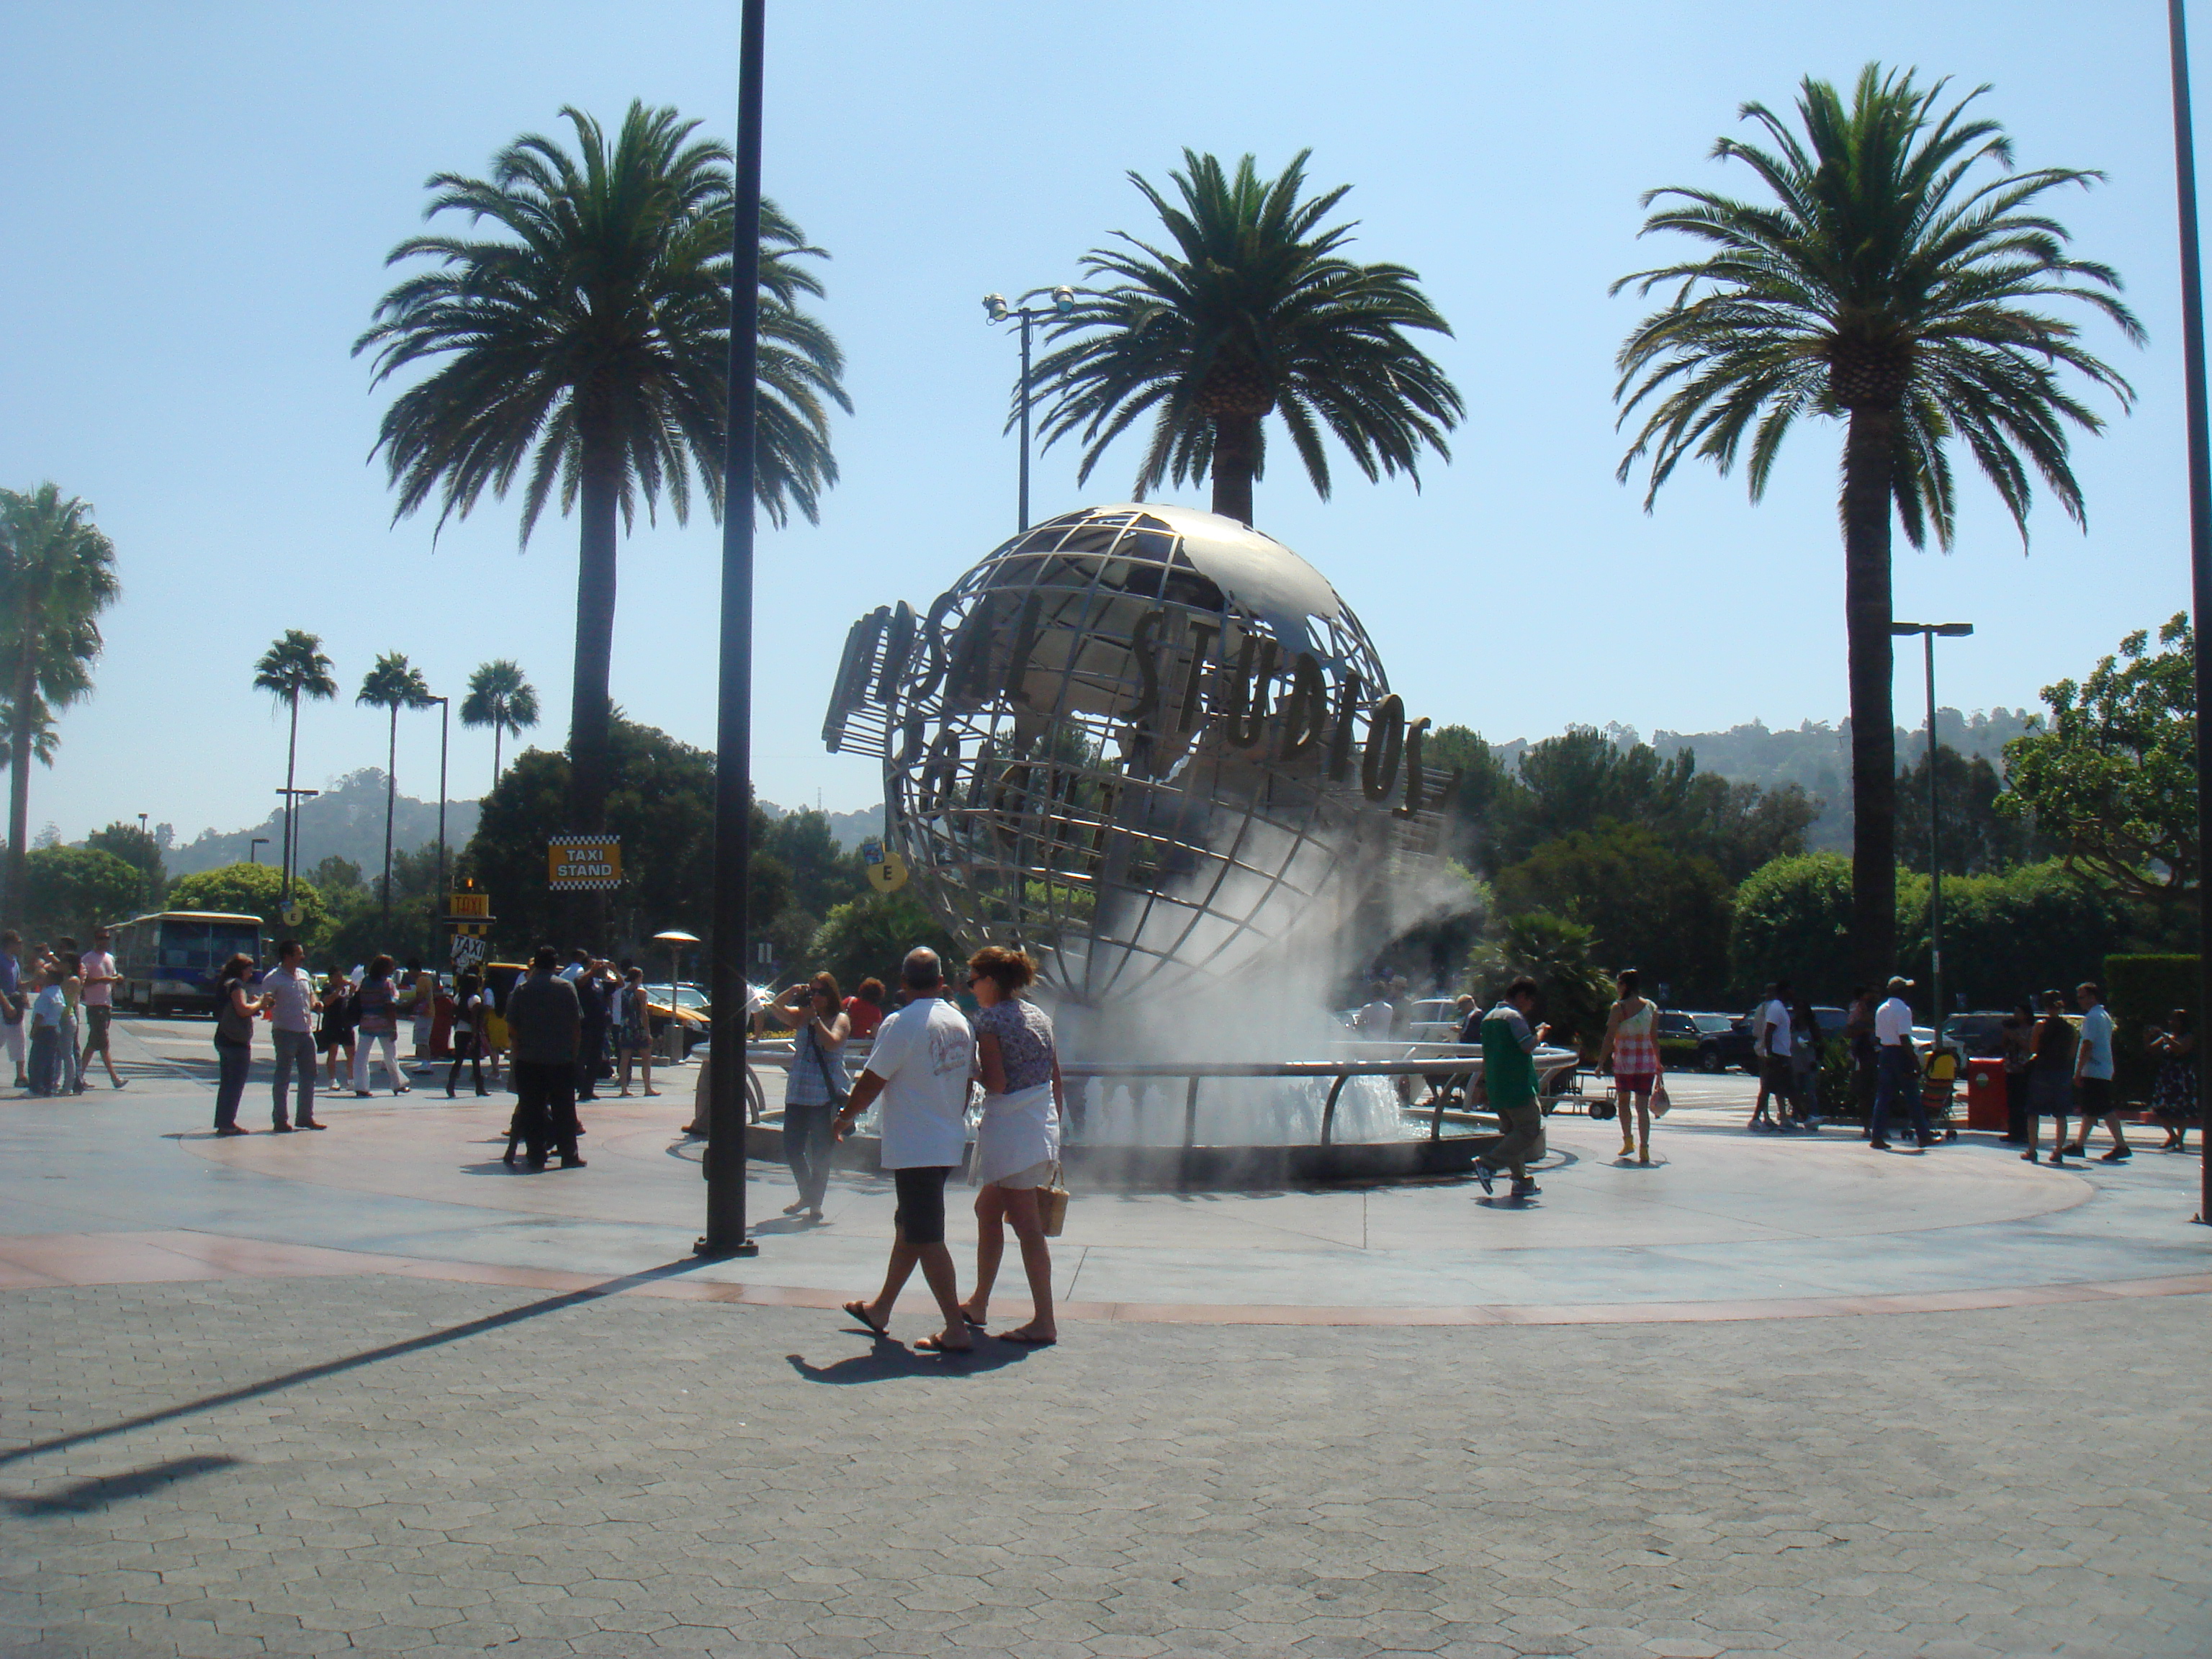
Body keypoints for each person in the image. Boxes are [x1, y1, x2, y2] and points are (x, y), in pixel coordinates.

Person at [832, 947, 977, 1353]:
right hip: (947, 1141)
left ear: (902, 984)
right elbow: (967, 1084)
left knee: (927, 1236)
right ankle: (880, 1309)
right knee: (909, 1228)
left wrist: (845, 1118)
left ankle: (955, 1328)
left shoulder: (901, 1022)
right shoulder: (960, 1023)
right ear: (942, 981)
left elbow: (873, 1080)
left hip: (915, 1145)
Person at [957, 945, 1064, 1345]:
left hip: (1013, 1132)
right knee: (988, 1209)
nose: (971, 988)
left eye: (974, 980)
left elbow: (998, 1083)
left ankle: (1044, 1321)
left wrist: (970, 1070)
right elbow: (1056, 1079)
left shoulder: (989, 1020)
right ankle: (980, 1300)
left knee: (1027, 1228)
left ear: (991, 981)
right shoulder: (1040, 1017)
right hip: (1039, 1128)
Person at [770, 973, 850, 1222]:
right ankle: (807, 1193)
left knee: (821, 1152)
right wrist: (793, 990)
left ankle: (815, 1203)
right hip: (797, 1092)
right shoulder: (802, 1017)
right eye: (812, 991)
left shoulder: (840, 1019)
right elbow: (774, 1008)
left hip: (822, 1096)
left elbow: (833, 1043)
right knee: (792, 1148)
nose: (815, 996)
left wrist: (815, 1020)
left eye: (820, 992)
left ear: (831, 995)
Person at [503, 946, 585, 1170]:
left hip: (529, 1059)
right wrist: (573, 1052)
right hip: (560, 1058)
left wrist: (519, 1049)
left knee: (532, 1109)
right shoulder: (566, 988)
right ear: (554, 965)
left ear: (536, 965)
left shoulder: (522, 989)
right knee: (564, 1108)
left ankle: (536, 1155)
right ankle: (569, 1154)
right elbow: (576, 1025)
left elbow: (512, 1025)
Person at [1475, 977, 1549, 1199]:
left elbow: (1487, 1054)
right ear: (1521, 996)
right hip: (1517, 1084)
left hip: (1498, 1085)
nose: (1530, 1007)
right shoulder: (1513, 1017)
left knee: (1512, 1133)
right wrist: (1542, 1033)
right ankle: (1487, 1164)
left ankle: (1521, 1181)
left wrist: (1484, 1084)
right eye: (1530, 1002)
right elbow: (1527, 1046)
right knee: (1529, 1129)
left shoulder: (1488, 1018)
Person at [1596, 968, 1659, 1165]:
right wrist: (1659, 1062)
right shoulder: (1651, 1007)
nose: (1617, 987)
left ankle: (1628, 1141)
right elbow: (1654, 1038)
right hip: (1646, 1064)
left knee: (1624, 1103)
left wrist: (1600, 1063)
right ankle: (1644, 1149)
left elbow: (1609, 1037)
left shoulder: (1618, 1008)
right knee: (1642, 1107)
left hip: (1624, 1063)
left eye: (1618, 983)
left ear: (1625, 985)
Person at [2066, 981, 2130, 1162]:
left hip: (2094, 1069)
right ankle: (2079, 1145)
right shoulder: (2103, 1015)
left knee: (2103, 1108)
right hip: (2102, 1068)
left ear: (2093, 997)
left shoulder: (2092, 1018)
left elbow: (2087, 1045)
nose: (2080, 1001)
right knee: (2092, 1110)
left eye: (2082, 997)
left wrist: (2078, 1071)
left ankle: (2121, 1145)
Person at [1869, 976, 1934, 1151]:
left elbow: (1879, 1036)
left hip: (1886, 1052)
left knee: (1883, 1097)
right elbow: (1904, 1038)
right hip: (1900, 1054)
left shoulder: (1881, 1009)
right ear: (1902, 992)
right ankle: (1923, 1136)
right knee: (1912, 1096)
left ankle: (1877, 1136)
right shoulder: (1904, 1010)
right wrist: (1914, 1061)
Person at [265, 940, 323, 1131]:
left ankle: (305, 1117)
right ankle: (280, 1119)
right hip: (284, 1032)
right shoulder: (273, 978)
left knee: (309, 1075)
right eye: (299, 953)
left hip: (306, 1032)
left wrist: (316, 1003)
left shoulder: (304, 975)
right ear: (288, 957)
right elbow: (265, 1001)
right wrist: (268, 1003)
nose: (303, 957)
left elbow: (312, 994)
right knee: (283, 1076)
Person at [211, 953, 269, 1136]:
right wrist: (260, 1004)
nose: (251, 974)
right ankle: (228, 1123)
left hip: (223, 1037)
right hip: (236, 1040)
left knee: (227, 1083)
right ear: (241, 970)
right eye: (249, 970)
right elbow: (242, 1010)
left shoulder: (225, 984)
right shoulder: (236, 985)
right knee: (235, 1084)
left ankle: (223, 1121)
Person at [2021, 990, 2078, 1164]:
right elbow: (2072, 1054)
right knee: (2061, 1115)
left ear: (2045, 1006)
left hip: (2043, 1070)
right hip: (2062, 1071)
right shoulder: (2071, 1029)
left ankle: (2032, 1150)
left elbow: (2033, 1048)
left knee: (2034, 1112)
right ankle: (2058, 1151)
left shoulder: (2041, 1025)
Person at [351, 956, 408, 1096]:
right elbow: (390, 1005)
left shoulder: (366, 982)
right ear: (385, 968)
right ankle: (397, 1084)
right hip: (384, 1024)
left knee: (361, 1056)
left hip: (367, 1022)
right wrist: (393, 1028)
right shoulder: (388, 984)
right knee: (390, 1056)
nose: (393, 968)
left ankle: (361, 1087)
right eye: (391, 966)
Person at [76, 925, 124, 1090]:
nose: (105, 941)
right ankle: (114, 1078)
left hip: (107, 1003)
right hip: (94, 1005)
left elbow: (113, 977)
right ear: (95, 940)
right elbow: (84, 981)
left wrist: (117, 979)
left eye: (107, 938)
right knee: (102, 1042)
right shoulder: (88, 959)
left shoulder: (109, 958)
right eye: (101, 938)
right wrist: (103, 979)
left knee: (95, 1042)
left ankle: (78, 1075)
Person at [2146, 1010, 2198, 1151]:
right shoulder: (2167, 1037)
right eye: (2171, 1020)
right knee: (2160, 1108)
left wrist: (2166, 1037)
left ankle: (2180, 1141)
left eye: (2175, 1020)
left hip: (2182, 1077)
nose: (2172, 1023)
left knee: (2182, 1110)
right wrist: (2149, 1037)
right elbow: (2151, 1049)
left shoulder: (2188, 1037)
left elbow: (2180, 1049)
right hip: (2168, 1077)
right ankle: (2173, 1137)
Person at [1749, 981, 1793, 1130]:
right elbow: (1766, 1031)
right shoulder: (1772, 1008)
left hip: (1768, 1049)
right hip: (1769, 1050)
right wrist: (1769, 1052)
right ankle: (1761, 1117)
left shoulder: (1762, 1008)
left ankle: (1776, 1117)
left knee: (1776, 1086)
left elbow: (1755, 1031)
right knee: (1768, 1086)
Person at [615, 967, 659, 1098]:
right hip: (638, 1027)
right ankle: (647, 1088)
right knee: (646, 1059)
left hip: (626, 1028)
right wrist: (648, 1032)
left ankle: (623, 1089)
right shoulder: (640, 992)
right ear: (639, 977)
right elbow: (643, 1013)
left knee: (625, 1059)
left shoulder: (624, 992)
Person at [1999, 1001, 2037, 1146]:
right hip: (2011, 1068)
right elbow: (2004, 1046)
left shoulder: (2032, 1029)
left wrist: (2016, 1037)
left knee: (2023, 1103)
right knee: (2012, 1102)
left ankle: (2026, 1133)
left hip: (2024, 1069)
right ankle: (2013, 1131)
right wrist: (2006, 1035)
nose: (2016, 1015)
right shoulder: (2013, 1028)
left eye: (2019, 1012)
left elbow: (2030, 1047)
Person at [574, 958, 612, 1103]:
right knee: (581, 1058)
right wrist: (592, 970)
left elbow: (619, 984)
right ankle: (580, 1085)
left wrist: (613, 969)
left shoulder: (600, 983)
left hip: (599, 1025)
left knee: (595, 1060)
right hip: (585, 1025)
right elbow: (580, 983)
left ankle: (588, 1090)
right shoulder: (583, 979)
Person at [447, 968, 488, 1099]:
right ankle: (480, 1088)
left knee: (458, 1060)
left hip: (459, 1031)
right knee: (476, 1062)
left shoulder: (458, 998)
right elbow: (475, 1019)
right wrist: (476, 1035)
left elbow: (455, 1016)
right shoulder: (475, 999)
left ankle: (451, 1085)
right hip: (471, 1032)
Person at [25, 966, 66, 1096]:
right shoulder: (59, 993)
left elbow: (40, 1015)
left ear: (52, 979)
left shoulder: (46, 994)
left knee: (37, 1060)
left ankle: (36, 1089)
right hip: (54, 1029)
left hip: (43, 1029)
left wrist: (33, 1030)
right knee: (50, 1060)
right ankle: (49, 1087)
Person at [1844, 986, 1879, 1128]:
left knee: (1877, 1092)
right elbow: (1850, 1030)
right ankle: (1867, 1124)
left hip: (1875, 1054)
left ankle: (1876, 1125)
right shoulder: (1858, 1008)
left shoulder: (1877, 1010)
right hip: (1864, 1055)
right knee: (1865, 1092)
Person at [318, 971, 357, 1090]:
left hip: (345, 1023)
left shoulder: (345, 990)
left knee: (351, 1053)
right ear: (331, 978)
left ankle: (351, 1080)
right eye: (337, 976)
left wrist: (352, 992)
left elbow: (350, 1003)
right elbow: (327, 1002)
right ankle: (332, 1080)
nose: (340, 978)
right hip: (332, 1023)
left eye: (341, 976)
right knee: (333, 1052)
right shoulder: (327, 989)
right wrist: (338, 990)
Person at [1789, 992, 1822, 1130]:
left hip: (1809, 1061)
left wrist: (1811, 1046)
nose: (1799, 1012)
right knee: (1795, 1091)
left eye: (1802, 1009)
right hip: (1795, 1060)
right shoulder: (1792, 1024)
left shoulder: (1812, 1026)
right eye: (1797, 1009)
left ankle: (1814, 1116)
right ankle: (1794, 1117)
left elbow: (1820, 1044)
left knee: (1810, 1092)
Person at [399, 958, 436, 1076]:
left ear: (413, 970)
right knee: (423, 1039)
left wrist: (406, 1005)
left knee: (421, 1040)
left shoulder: (420, 980)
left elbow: (419, 997)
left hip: (424, 1013)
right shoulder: (427, 979)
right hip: (429, 1012)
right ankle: (425, 1062)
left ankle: (426, 1063)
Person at [0, 929, 25, 1089]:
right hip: (4, 1004)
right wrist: (6, 1004)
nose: (21, 945)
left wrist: (25, 994)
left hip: (15, 1003)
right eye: (18, 942)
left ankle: (21, 1075)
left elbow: (19, 983)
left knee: (19, 1039)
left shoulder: (14, 960)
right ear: (9, 943)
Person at [842, 978, 886, 1042]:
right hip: (857, 1045)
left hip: (841, 1041)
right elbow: (874, 1034)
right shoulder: (875, 1012)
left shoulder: (849, 1001)